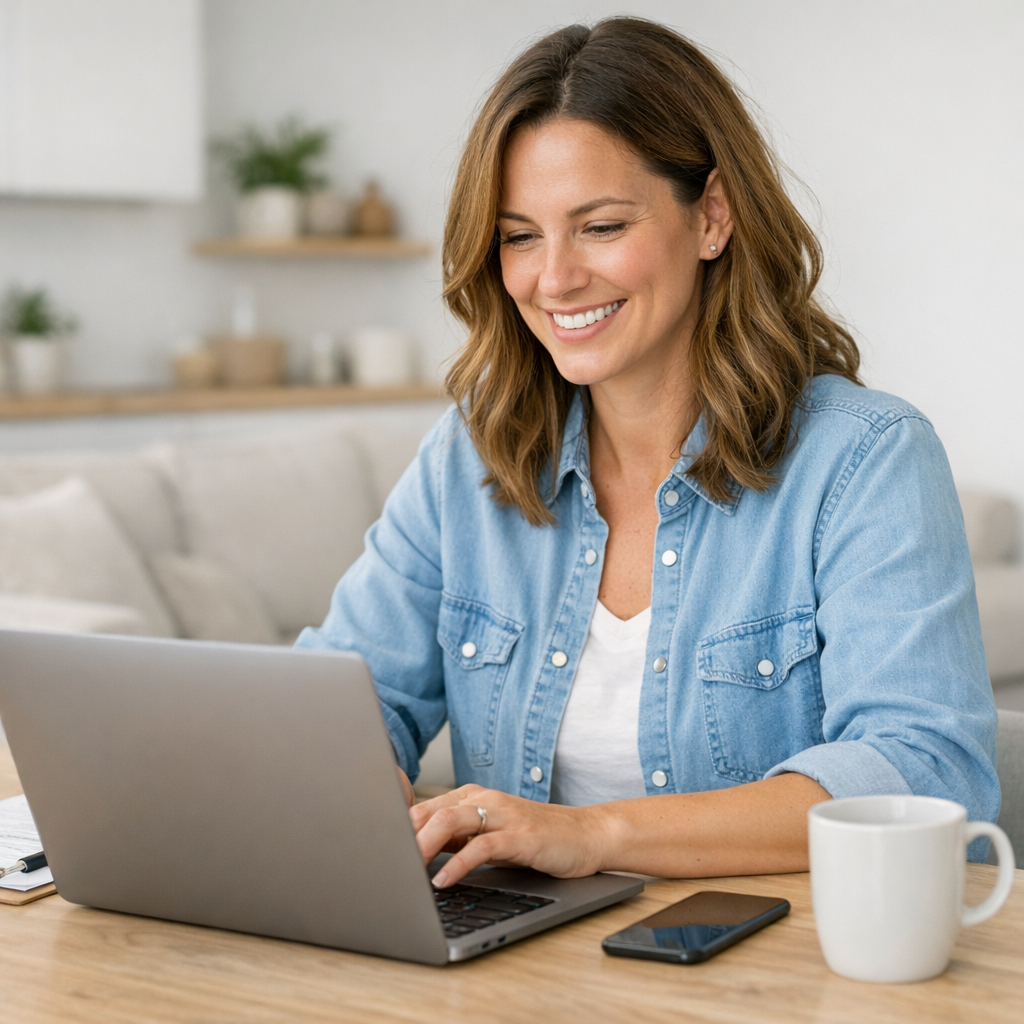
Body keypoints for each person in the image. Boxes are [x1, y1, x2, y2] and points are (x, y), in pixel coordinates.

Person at [296, 17, 999, 887]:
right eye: (520, 236)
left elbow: (926, 769)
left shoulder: (866, 460)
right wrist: (343, 772)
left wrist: (592, 834)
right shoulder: (470, 456)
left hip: (775, 958)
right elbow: (337, 703)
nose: (554, 279)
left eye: (599, 226)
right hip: (519, 951)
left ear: (712, 216)